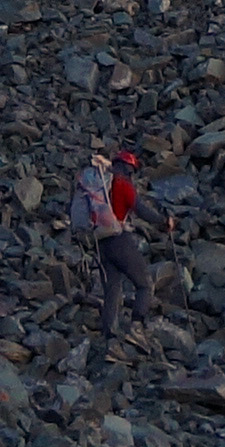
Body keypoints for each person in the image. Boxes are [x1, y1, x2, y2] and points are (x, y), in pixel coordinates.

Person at [78, 144, 149, 336]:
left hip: (100, 242)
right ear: (128, 168)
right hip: (119, 240)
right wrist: (163, 222)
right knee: (144, 284)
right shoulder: (122, 185)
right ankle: (137, 326)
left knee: (112, 289)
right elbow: (140, 209)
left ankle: (108, 333)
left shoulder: (101, 186)